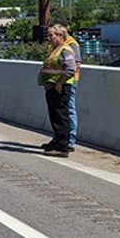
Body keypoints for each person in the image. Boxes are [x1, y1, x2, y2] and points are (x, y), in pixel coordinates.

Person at [38, 23, 79, 157]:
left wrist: (59, 84)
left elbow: (71, 69)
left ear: (60, 36)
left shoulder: (65, 49)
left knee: (62, 116)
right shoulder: (55, 49)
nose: (48, 38)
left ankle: (63, 147)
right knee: (55, 116)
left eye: (51, 35)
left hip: (61, 87)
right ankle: (57, 143)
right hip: (53, 86)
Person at [48, 20, 81, 152]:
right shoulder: (55, 46)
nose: (49, 38)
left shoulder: (70, 45)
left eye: (51, 35)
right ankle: (58, 139)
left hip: (67, 82)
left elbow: (75, 65)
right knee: (57, 114)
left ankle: (68, 142)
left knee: (67, 112)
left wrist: (61, 82)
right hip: (56, 83)